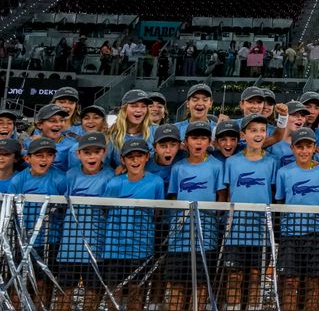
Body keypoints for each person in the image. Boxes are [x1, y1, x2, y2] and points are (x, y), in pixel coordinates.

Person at [165, 121, 227, 311]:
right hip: (178, 238)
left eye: (202, 138)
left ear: (209, 142)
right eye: (194, 138)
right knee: (176, 284)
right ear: (186, 142)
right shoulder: (178, 168)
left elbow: (221, 199)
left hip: (206, 238)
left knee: (200, 285)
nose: (198, 142)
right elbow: (174, 197)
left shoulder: (217, 166)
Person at [275, 127, 319, 311]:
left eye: (308, 146)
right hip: (290, 235)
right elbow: (280, 203)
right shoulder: (283, 173)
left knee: (313, 281)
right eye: (299, 147)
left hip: (316, 235)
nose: (304, 151)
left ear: (314, 147)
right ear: (292, 148)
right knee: (290, 282)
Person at [220, 115, 277, 311]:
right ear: (243, 135)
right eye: (253, 130)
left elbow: (275, 195)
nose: (258, 134)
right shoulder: (231, 162)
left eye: (262, 130)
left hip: (260, 233)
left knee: (255, 277)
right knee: (234, 276)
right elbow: (227, 195)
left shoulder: (272, 162)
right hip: (234, 232)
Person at [100, 139, 164, 311]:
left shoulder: (156, 182)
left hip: (142, 248)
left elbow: (158, 211)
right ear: (123, 160)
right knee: (115, 292)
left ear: (147, 157)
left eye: (139, 156)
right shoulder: (113, 183)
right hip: (114, 249)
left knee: (137, 291)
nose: (135, 161)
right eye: (130, 157)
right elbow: (105, 210)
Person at [9, 137, 68, 309]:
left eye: (49, 155)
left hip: (50, 242)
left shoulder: (60, 179)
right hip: (23, 242)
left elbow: (66, 210)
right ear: (28, 158)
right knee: (20, 282)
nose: (44, 159)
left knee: (43, 284)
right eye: (39, 155)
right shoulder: (18, 180)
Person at [55, 132, 110, 311]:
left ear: (104, 152)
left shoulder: (110, 177)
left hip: (97, 247)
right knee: (64, 293)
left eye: (96, 151)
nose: (92, 156)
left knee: (92, 293)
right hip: (69, 248)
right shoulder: (70, 175)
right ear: (78, 154)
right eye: (87, 152)